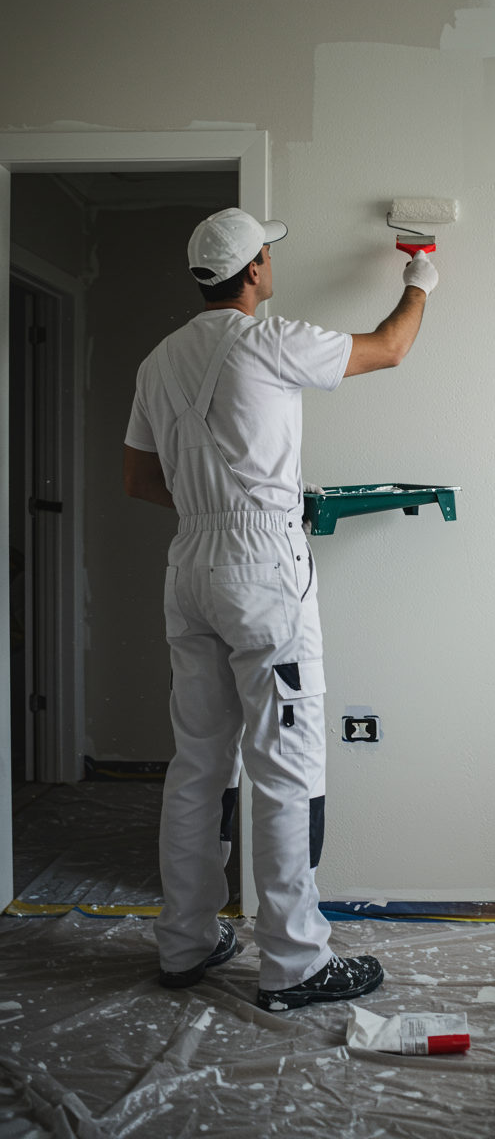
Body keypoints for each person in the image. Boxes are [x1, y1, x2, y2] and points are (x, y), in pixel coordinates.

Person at [123, 207, 437, 1010]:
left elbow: (138, 479)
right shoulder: (268, 341)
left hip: (190, 565)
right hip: (262, 568)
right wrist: (420, 280)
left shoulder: (158, 361)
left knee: (199, 764)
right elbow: (391, 347)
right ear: (255, 269)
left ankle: (186, 943)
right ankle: (295, 963)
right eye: (267, 252)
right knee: (287, 763)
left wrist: (213, 507)